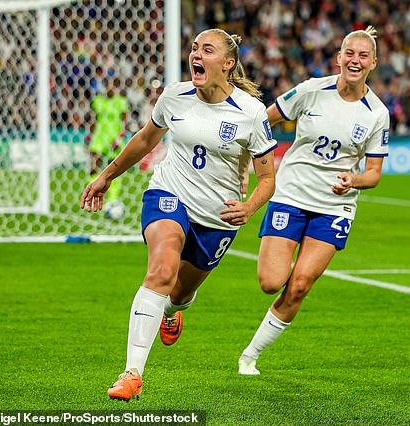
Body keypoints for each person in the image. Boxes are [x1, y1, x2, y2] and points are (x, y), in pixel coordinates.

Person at [80, 28, 277, 400]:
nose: (196, 55)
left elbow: (267, 177)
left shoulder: (250, 113)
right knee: (161, 269)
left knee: (181, 292)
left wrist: (250, 206)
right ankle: (132, 373)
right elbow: (145, 139)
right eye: (194, 48)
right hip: (169, 195)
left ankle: (172, 311)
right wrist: (106, 175)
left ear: (228, 63)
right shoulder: (175, 95)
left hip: (217, 218)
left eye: (207, 50)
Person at [237, 26, 389, 375]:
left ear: (373, 63)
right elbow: (264, 119)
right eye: (349, 53)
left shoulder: (376, 113)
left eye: (363, 55)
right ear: (339, 57)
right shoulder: (311, 90)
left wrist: (355, 179)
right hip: (290, 195)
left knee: (301, 284)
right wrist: (248, 159)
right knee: (271, 282)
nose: (355, 60)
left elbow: (374, 174)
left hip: (335, 207)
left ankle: (250, 356)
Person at [87, 77, 129, 210]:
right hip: (99, 138)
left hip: (114, 139)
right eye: (107, 85)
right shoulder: (98, 101)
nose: (110, 88)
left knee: (114, 170)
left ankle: (113, 198)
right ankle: (92, 193)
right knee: (94, 166)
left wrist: (119, 138)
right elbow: (93, 120)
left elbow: (124, 122)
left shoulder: (120, 102)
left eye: (113, 85)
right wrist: (89, 135)